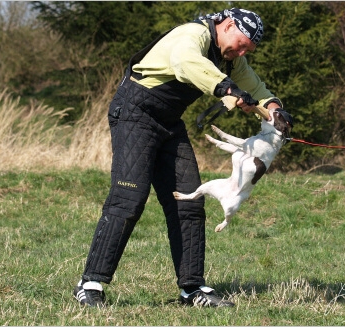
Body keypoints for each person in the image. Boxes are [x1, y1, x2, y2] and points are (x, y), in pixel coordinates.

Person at [73, 8, 284, 308]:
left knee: (189, 202)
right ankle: (90, 284)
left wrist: (274, 108)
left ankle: (192, 289)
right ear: (228, 25)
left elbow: (258, 88)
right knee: (128, 198)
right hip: (135, 113)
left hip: (169, 122)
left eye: (247, 50)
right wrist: (226, 87)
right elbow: (186, 63)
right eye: (240, 44)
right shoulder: (193, 34)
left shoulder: (231, 59)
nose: (240, 53)